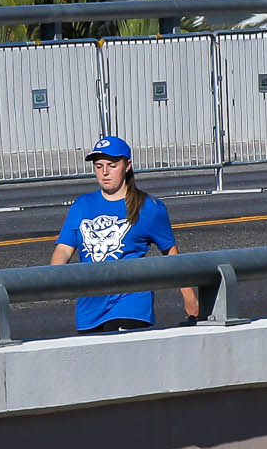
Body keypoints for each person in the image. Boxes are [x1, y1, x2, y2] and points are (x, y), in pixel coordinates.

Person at [51, 135, 199, 333]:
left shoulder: (148, 207)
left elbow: (170, 253)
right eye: (99, 166)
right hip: (89, 310)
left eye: (112, 166)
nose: (105, 172)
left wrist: (189, 297)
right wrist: (52, 280)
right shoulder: (82, 205)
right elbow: (63, 249)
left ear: (127, 166)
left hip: (131, 305)